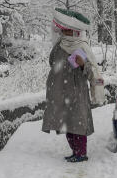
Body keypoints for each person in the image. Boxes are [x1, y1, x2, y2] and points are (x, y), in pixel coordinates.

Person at [41, 8, 104, 162]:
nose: (64, 32)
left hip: (77, 93)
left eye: (68, 30)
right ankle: (75, 151)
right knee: (68, 124)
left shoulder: (81, 47)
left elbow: (92, 72)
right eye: (64, 30)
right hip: (61, 91)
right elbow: (52, 62)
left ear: (75, 32)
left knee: (78, 124)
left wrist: (83, 65)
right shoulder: (59, 45)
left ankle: (81, 153)